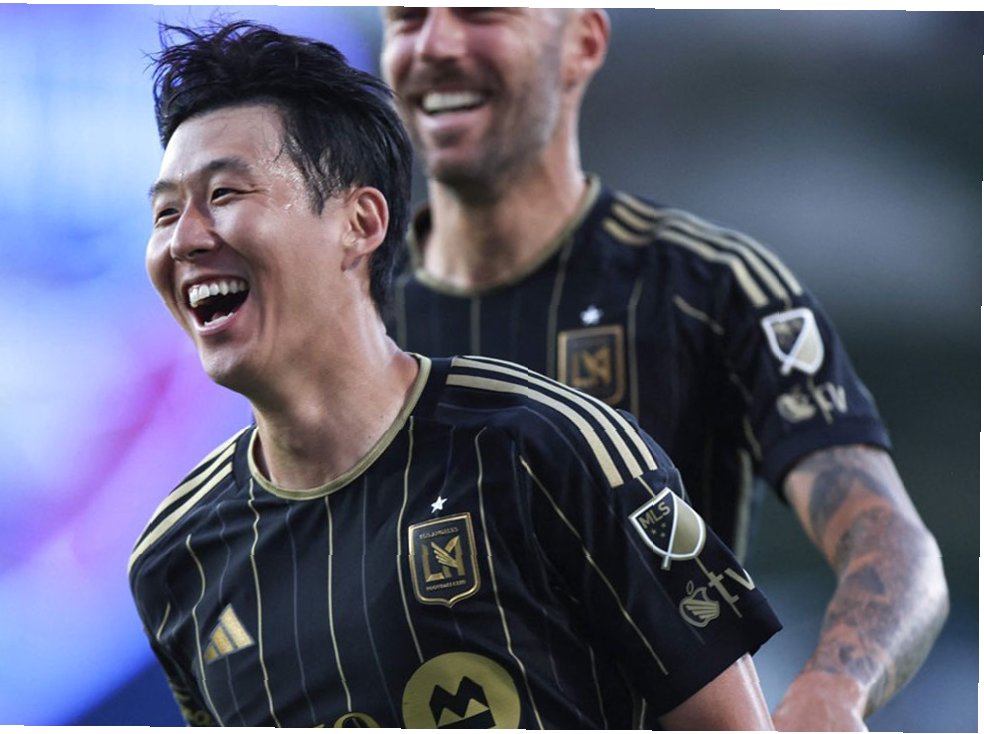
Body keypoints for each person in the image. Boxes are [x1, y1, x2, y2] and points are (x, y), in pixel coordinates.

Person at [129, 20, 781, 729]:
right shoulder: (176, 559)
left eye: (225, 194)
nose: (183, 239)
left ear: (360, 222)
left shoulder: (545, 451)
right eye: (166, 212)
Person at [379, 7, 948, 731]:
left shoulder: (710, 287)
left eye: (479, 13)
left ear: (582, 43)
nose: (435, 43)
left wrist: (831, 690)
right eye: (407, 18)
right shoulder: (348, 312)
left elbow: (891, 539)